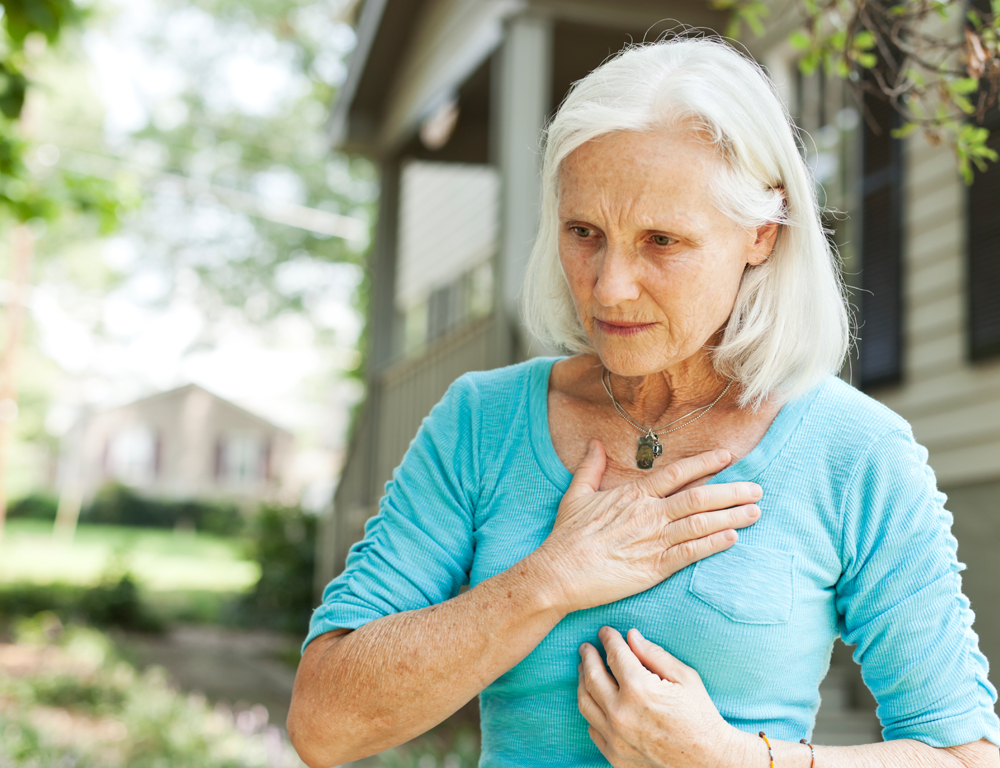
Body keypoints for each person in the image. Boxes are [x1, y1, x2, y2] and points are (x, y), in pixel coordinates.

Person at [287, 36, 1000, 768]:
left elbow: (965, 758)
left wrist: (735, 759)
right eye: (584, 233)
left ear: (761, 232)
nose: (609, 286)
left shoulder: (854, 451)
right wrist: (549, 578)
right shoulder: (481, 422)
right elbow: (324, 724)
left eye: (661, 240)